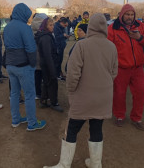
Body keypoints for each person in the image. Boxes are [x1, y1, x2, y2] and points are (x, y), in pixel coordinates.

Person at [43, 13, 118, 168]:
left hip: (83, 97)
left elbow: (73, 73)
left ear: (90, 27)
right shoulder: (111, 46)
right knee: (96, 129)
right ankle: (96, 164)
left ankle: (64, 164)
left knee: (71, 129)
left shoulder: (82, 45)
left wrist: (71, 92)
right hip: (103, 97)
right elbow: (114, 72)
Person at [108, 4, 144, 130]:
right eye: (127, 14)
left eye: (132, 14)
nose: (129, 17)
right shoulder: (113, 28)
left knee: (140, 93)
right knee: (119, 94)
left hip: (137, 67)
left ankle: (137, 118)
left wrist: (140, 38)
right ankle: (119, 116)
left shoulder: (141, 26)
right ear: (121, 15)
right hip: (121, 68)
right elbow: (108, 47)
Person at [3, 3, 46, 131]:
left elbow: (7, 46)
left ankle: (16, 120)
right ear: (23, 14)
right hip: (23, 66)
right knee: (29, 95)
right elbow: (31, 49)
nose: (28, 18)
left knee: (15, 93)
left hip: (10, 65)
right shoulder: (24, 28)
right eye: (27, 15)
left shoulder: (7, 27)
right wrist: (32, 64)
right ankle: (32, 123)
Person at [35, 18, 63, 112]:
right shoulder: (46, 37)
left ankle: (43, 100)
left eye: (53, 25)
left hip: (46, 63)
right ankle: (54, 102)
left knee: (46, 82)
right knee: (52, 83)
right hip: (48, 64)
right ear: (46, 26)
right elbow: (47, 55)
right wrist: (52, 70)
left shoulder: (47, 35)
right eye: (50, 25)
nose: (53, 27)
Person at [31, 13, 48, 100]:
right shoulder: (44, 29)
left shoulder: (31, 28)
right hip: (43, 56)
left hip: (33, 56)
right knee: (44, 76)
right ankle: (44, 94)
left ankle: (37, 93)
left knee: (36, 76)